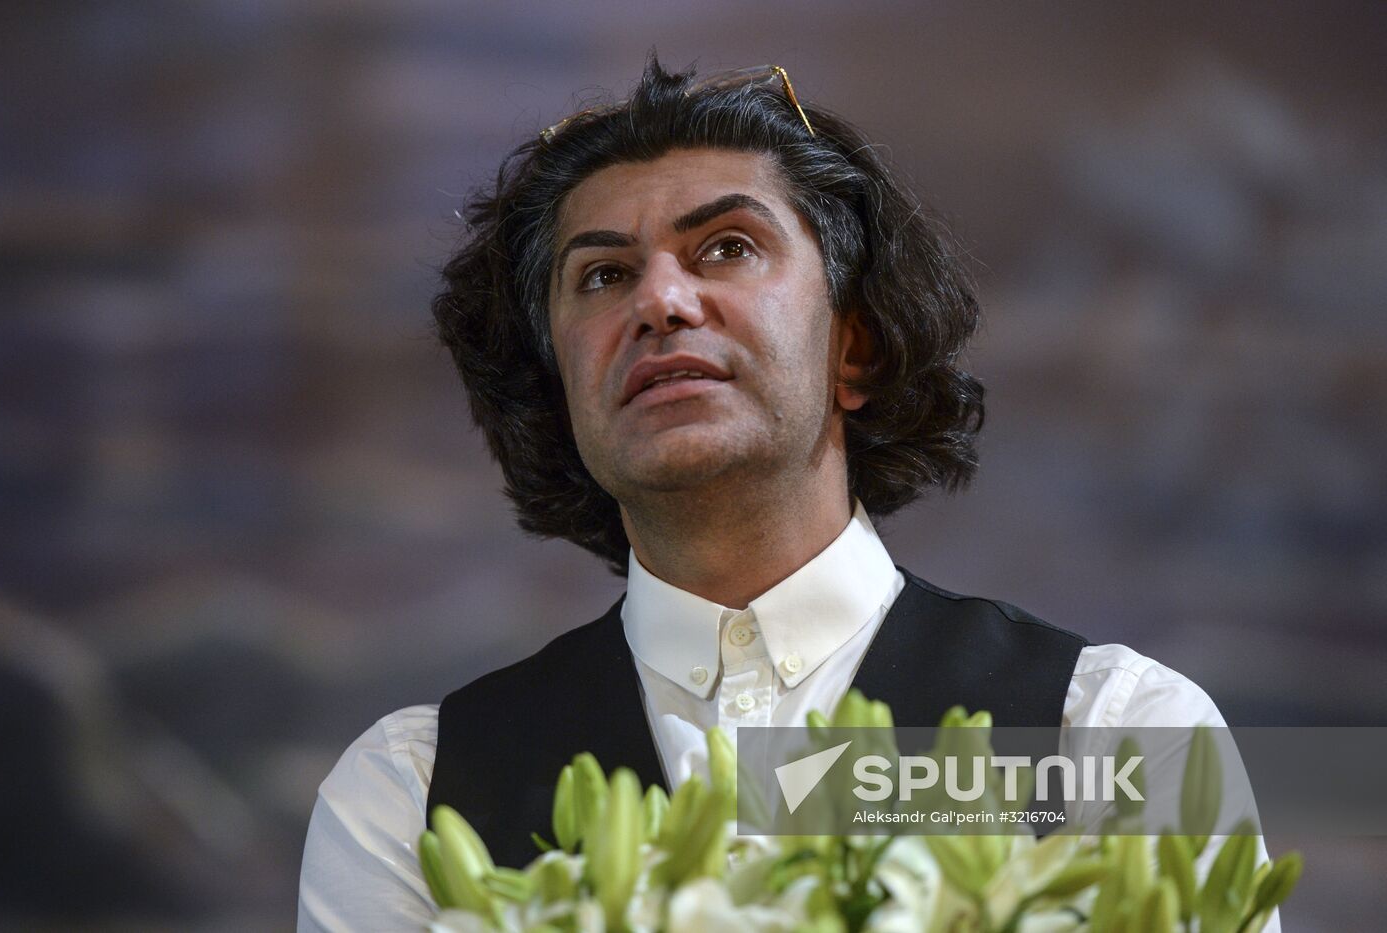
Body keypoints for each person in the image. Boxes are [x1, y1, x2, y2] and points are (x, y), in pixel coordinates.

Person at [298, 57, 1273, 930]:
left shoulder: (1111, 732)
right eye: (600, 274)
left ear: (856, 345)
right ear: (558, 393)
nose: (659, 302)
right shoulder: (410, 795)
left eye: (725, 247)